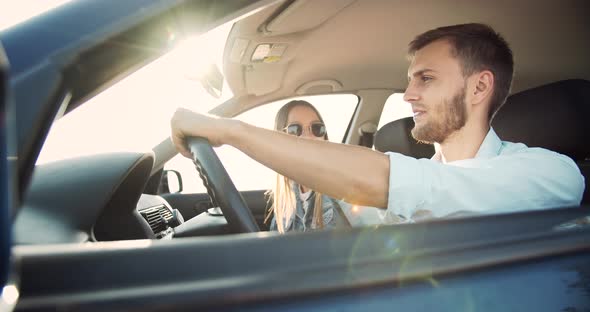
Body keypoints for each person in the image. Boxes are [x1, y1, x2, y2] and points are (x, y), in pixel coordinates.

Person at [171, 23, 584, 223]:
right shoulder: (408, 191)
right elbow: (358, 210)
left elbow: (404, 185)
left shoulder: (551, 174)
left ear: (479, 88)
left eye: (426, 78)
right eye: (409, 81)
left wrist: (230, 130)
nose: (407, 96)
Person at [265, 100, 349, 232]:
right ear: (279, 140)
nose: (308, 136)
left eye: (316, 128)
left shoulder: (342, 186)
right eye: (295, 130)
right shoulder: (285, 197)